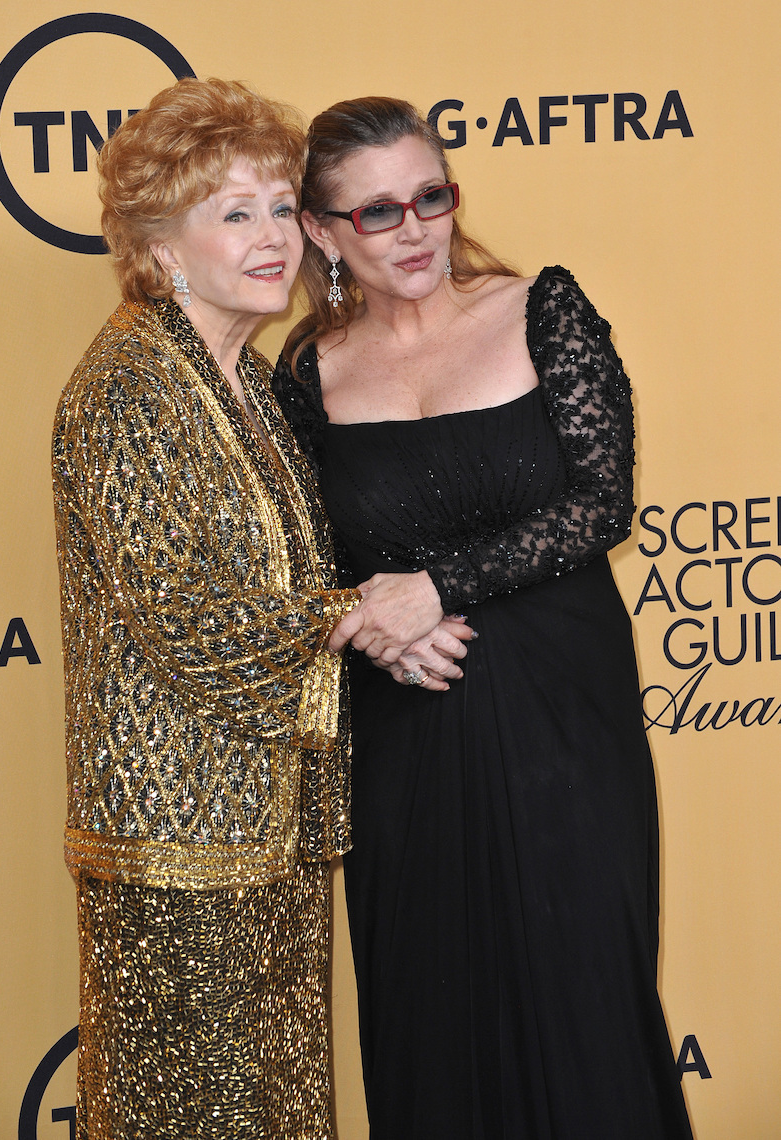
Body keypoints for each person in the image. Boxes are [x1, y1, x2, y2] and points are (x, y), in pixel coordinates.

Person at [273, 96, 694, 1139]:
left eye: (429, 197)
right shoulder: (304, 375)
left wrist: (433, 589)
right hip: (408, 721)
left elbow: (602, 502)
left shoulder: (538, 308)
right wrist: (376, 622)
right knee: (431, 1009)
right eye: (375, 212)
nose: (412, 229)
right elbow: (299, 564)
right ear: (322, 233)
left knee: (582, 993)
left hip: (563, 718)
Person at [52, 77, 366, 1139]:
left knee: (276, 1108)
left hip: (269, 826)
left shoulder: (257, 380)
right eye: (235, 213)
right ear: (161, 244)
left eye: (282, 207)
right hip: (174, 843)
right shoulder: (128, 385)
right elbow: (187, 619)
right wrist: (363, 617)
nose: (274, 236)